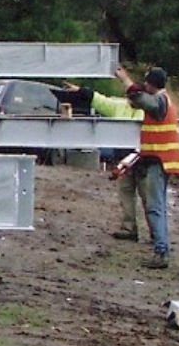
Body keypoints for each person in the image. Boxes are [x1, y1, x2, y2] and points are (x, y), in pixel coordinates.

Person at [114, 64, 179, 268]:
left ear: (151, 84)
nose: (144, 85)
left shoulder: (160, 102)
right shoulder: (164, 101)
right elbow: (138, 102)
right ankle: (161, 249)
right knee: (158, 207)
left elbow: (140, 100)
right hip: (159, 161)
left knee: (155, 208)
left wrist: (125, 80)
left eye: (146, 82)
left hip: (159, 162)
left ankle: (161, 252)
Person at [57, 82, 143, 241]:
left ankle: (155, 233)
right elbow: (99, 100)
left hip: (144, 159)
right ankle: (129, 228)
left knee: (149, 199)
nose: (130, 100)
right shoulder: (120, 107)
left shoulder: (149, 111)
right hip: (124, 161)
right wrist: (81, 91)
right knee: (126, 194)